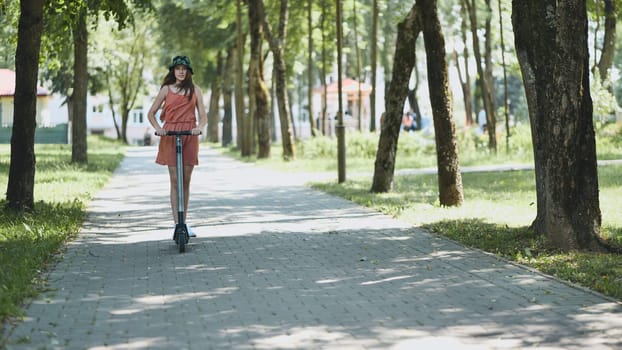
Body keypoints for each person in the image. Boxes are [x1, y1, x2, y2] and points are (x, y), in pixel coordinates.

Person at [147, 55, 207, 237]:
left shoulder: (195, 90)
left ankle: (185, 222)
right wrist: (159, 129)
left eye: (184, 68)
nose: (181, 71)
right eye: (177, 68)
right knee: (174, 180)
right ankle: (176, 223)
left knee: (186, 180)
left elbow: (203, 117)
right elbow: (151, 113)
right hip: (170, 135)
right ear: (173, 70)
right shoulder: (166, 89)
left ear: (188, 71)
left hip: (189, 134)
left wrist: (198, 128)